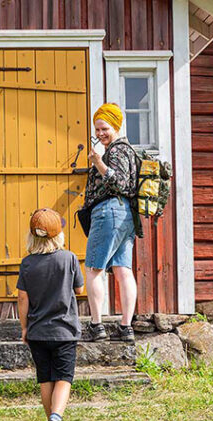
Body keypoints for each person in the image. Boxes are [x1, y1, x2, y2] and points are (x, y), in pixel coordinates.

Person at [17, 208, 84, 421]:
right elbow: (80, 289)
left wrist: (25, 328)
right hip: (64, 331)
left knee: (45, 378)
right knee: (64, 377)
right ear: (59, 234)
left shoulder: (27, 264)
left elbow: (22, 299)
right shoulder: (69, 258)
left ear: (32, 235)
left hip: (37, 331)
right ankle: (55, 420)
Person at [82, 103, 141, 342]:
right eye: (97, 129)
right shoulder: (127, 150)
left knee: (94, 268)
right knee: (122, 270)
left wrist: (98, 161)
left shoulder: (116, 151)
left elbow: (120, 183)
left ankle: (97, 325)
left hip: (109, 211)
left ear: (116, 126)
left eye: (104, 128)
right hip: (126, 215)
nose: (100, 134)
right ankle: (126, 327)